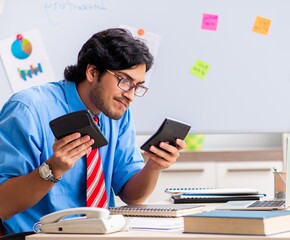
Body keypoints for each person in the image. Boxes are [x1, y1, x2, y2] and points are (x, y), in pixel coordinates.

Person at [0, 28, 185, 234]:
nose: (130, 95)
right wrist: (54, 169)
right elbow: (3, 205)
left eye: (137, 86)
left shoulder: (117, 113)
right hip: (38, 236)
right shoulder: (29, 109)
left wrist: (153, 166)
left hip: (100, 234)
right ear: (92, 72)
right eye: (124, 81)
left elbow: (131, 195)